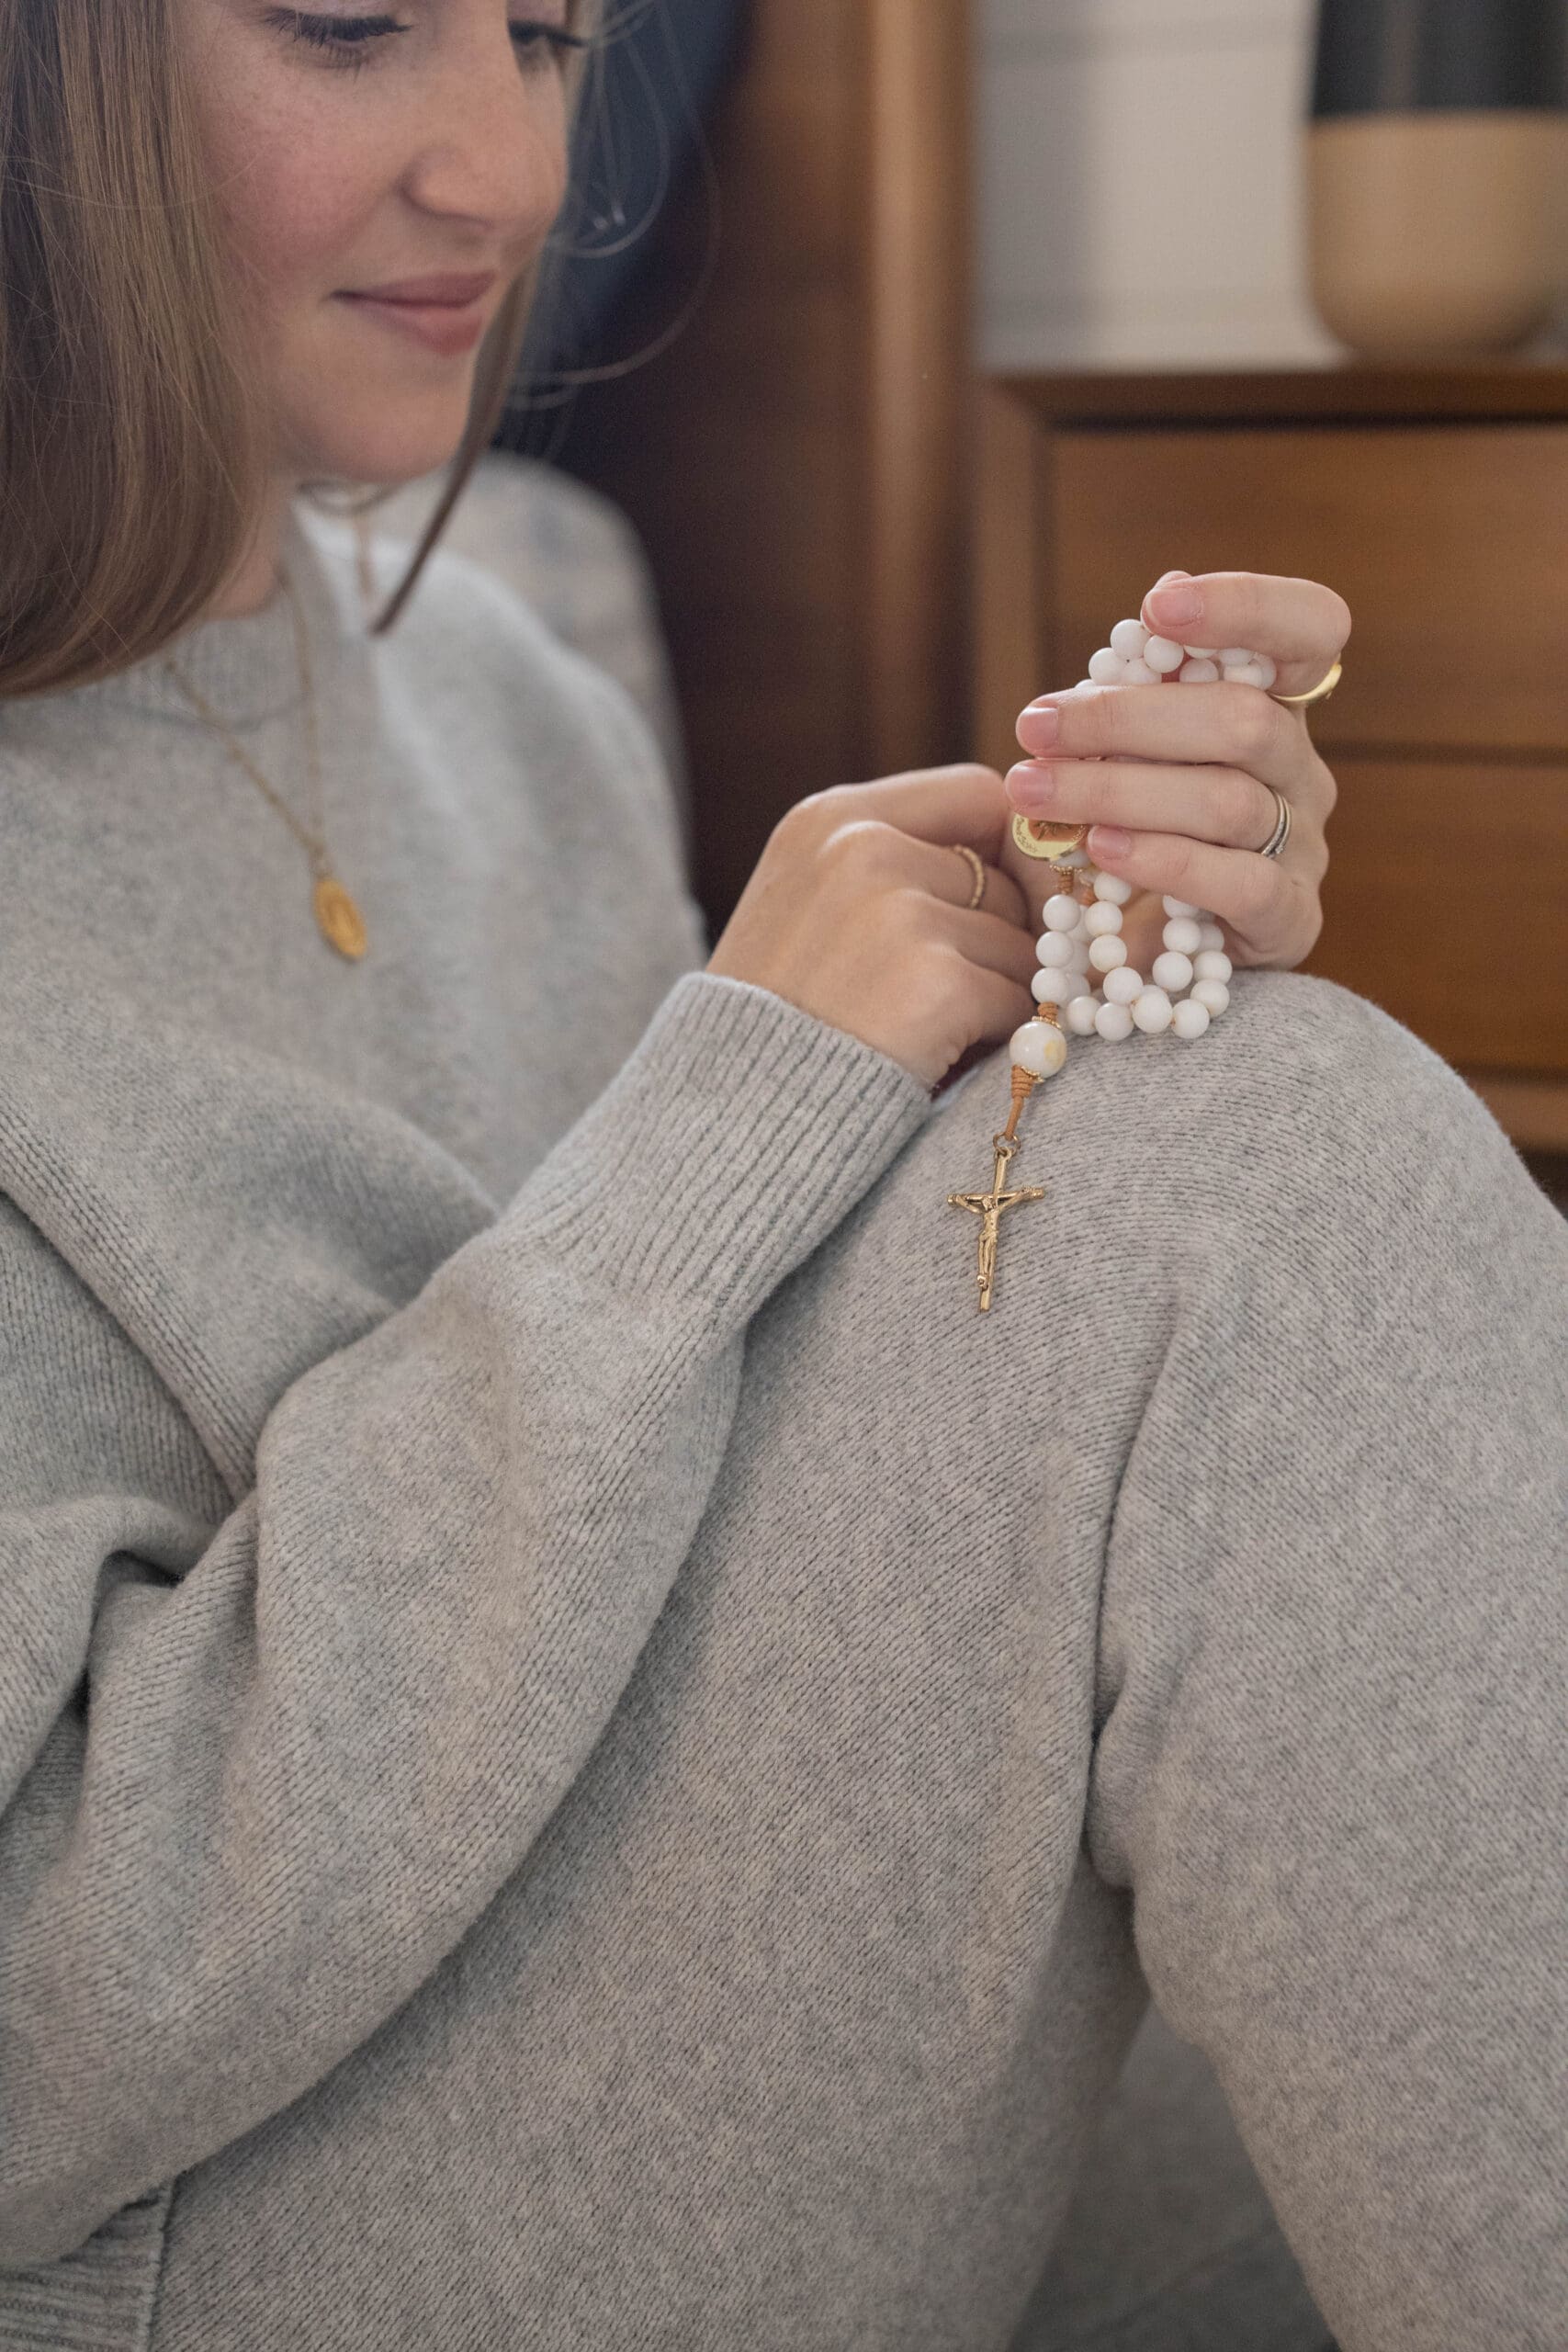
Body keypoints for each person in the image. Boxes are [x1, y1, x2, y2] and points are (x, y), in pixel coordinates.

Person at [0, 6, 1562, 2352]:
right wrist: (725, 1115)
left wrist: (1059, 995)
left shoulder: (518, 704)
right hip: (189, 2220)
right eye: (348, 21)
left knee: (1250, 1179)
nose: (511, 172)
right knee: (1265, 1182)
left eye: (547, 33)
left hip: (581, 1951)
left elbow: (705, 1477)